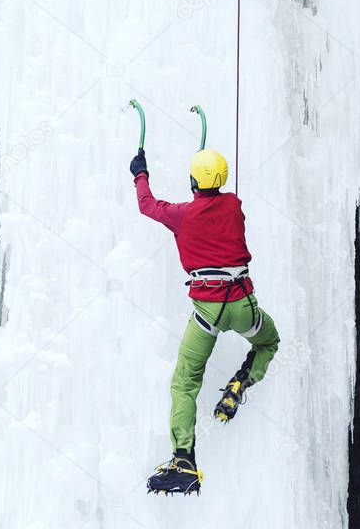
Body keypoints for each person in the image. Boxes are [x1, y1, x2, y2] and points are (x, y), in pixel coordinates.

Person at [130, 145, 280, 495]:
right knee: (268, 341)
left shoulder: (183, 214)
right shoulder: (233, 205)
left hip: (207, 312)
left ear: (193, 181)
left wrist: (141, 173)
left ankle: (183, 458)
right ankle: (242, 380)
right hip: (242, 304)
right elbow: (214, 203)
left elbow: (147, 205)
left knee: (184, 382)